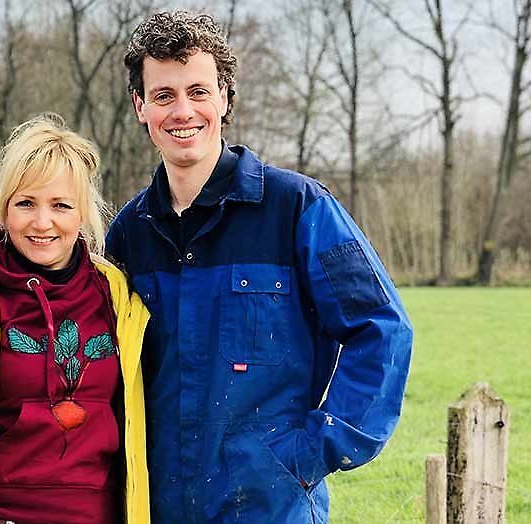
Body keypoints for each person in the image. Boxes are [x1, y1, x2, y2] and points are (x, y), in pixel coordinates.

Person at [105, 11, 413, 523]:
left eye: (198, 91)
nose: (183, 111)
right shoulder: (130, 235)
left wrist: (315, 450)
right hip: (158, 505)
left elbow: (381, 329)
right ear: (140, 106)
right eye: (164, 95)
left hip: (270, 506)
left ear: (224, 98)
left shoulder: (297, 209)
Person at [0, 114, 151, 524]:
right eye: (26, 203)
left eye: (60, 206)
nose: (41, 222)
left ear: (83, 214)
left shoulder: (116, 293)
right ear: (3, 208)